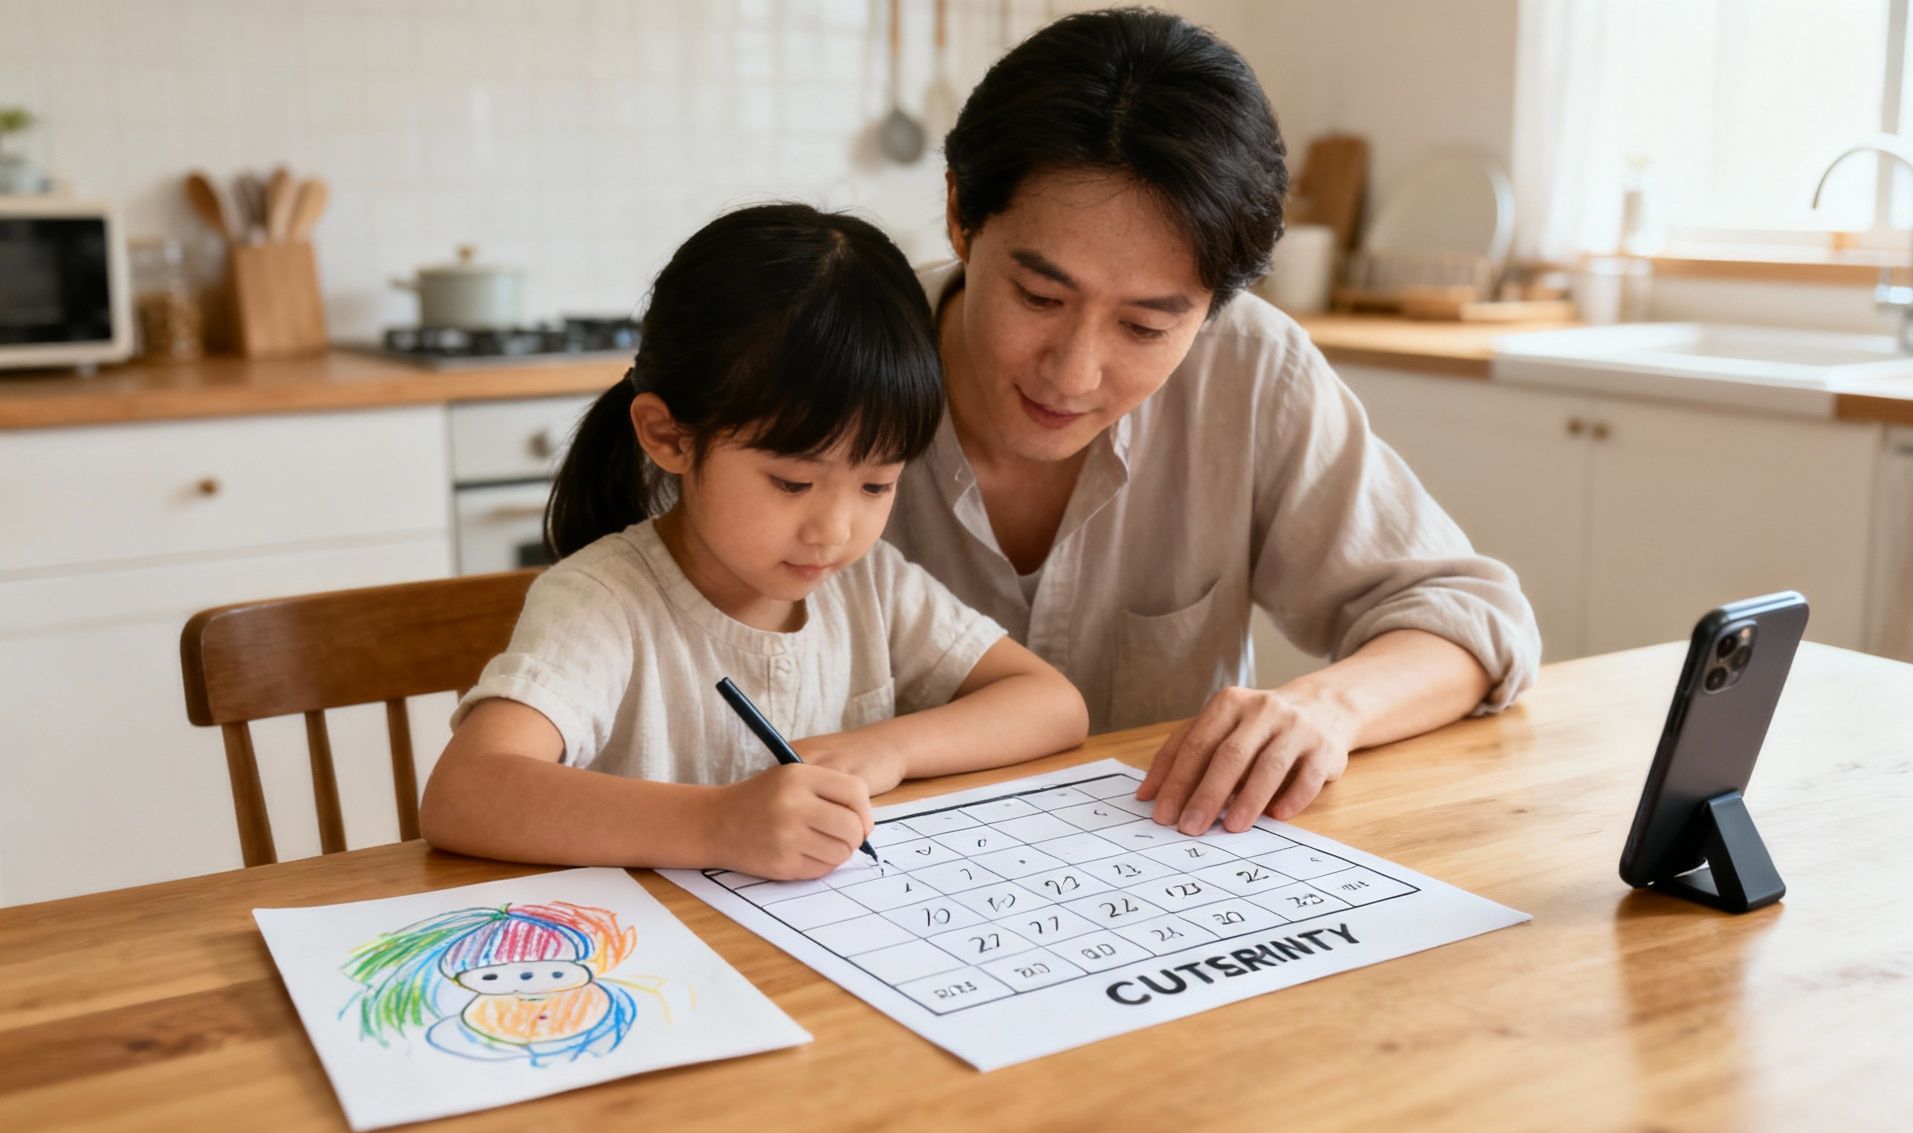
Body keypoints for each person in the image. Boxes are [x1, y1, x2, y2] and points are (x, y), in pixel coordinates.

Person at [882, 9, 1541, 838]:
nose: (1074, 374)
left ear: (1214, 307)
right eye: (1040, 297)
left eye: (1145, 327)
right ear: (959, 213)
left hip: (1162, 872)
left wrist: (1328, 706)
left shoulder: (1250, 369)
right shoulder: (822, 366)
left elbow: (1473, 619)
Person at [419, 204, 1088, 881]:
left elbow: (1053, 705)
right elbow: (464, 792)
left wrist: (890, 748)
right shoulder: (601, 604)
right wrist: (717, 824)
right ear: (669, 437)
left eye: (876, 485)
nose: (834, 532)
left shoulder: (871, 587)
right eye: (793, 483)